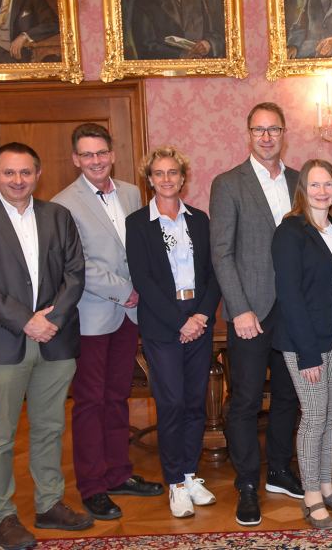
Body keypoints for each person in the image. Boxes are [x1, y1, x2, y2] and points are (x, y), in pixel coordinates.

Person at [0, 143, 93, 550]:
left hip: (55, 340)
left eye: (26, 173)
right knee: (1, 435)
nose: (18, 180)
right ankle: (3, 516)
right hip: (4, 343)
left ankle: (49, 503)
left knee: (50, 428)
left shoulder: (59, 216)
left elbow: (75, 273)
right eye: (9, 172)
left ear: (37, 174)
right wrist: (25, 321)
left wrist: (50, 320)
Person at [52, 123, 164, 521]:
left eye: (101, 153)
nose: (95, 160)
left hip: (129, 315)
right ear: (75, 160)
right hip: (92, 315)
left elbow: (142, 248)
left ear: (112, 154)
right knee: (90, 402)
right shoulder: (63, 204)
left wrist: (144, 290)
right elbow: (75, 264)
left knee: (118, 397)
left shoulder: (134, 193)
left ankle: (119, 473)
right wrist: (125, 290)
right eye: (87, 155)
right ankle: (93, 486)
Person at [210, 102, 303, 526]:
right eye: (259, 130)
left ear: (284, 133)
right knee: (245, 400)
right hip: (250, 312)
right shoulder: (228, 183)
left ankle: (281, 471)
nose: (267, 137)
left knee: (289, 396)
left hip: (294, 312)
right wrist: (240, 308)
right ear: (248, 134)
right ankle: (247, 482)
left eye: (274, 129)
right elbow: (222, 253)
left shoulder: (302, 181)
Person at [125, 147, 222, 518]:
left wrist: (199, 316)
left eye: (173, 173)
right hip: (163, 324)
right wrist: (179, 321)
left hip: (198, 318)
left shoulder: (200, 220)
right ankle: (175, 484)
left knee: (197, 402)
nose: (166, 179)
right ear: (149, 179)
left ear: (183, 178)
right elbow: (142, 279)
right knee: (172, 403)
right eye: (159, 173)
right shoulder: (137, 223)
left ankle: (190, 474)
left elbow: (213, 274)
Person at [271, 159, 332, 530]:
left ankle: (326, 485)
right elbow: (289, 297)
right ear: (302, 190)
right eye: (315, 185)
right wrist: (308, 353)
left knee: (328, 414)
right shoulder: (290, 231)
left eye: (329, 184)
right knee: (313, 416)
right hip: (304, 341)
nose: (323, 191)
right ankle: (310, 496)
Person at [129, 0, 224, 60]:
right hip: (165, 72)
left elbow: (214, 35)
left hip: (200, 69)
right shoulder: (143, 2)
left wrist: (208, 44)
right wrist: (180, 56)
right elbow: (145, 47)